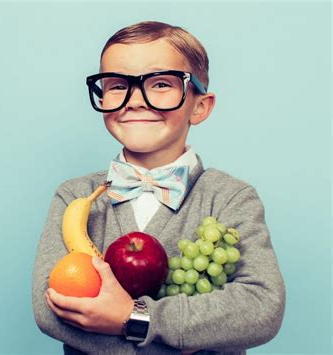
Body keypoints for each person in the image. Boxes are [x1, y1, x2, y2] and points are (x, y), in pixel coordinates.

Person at [32, 21, 285, 354]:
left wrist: (135, 317)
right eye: (117, 85)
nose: (135, 101)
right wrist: (181, 339)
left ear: (200, 106)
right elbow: (50, 308)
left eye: (161, 83)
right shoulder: (75, 197)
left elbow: (261, 307)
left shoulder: (231, 198)